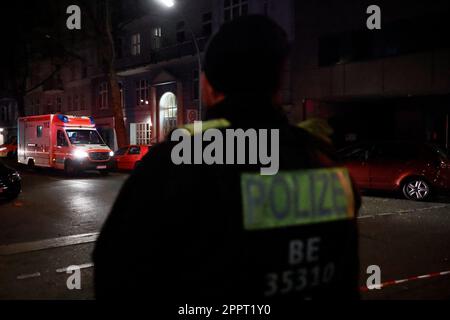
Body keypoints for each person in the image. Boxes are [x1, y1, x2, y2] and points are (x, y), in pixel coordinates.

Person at [93, 15, 361, 303]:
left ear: (207, 86)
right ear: (279, 81)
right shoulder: (323, 161)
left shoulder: (172, 166)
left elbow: (114, 276)